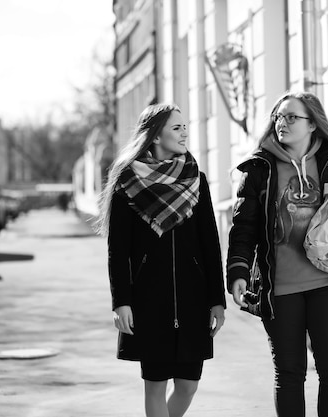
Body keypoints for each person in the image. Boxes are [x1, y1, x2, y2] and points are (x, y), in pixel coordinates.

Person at [226, 91, 328, 417]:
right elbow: (243, 227)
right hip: (280, 290)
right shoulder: (258, 169)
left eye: (292, 117)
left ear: (312, 125)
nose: (283, 123)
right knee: (290, 374)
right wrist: (237, 271)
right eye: (279, 117)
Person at [98, 103, 226, 417]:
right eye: (176, 128)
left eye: (185, 127)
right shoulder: (128, 183)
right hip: (148, 300)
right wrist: (121, 301)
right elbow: (118, 249)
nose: (185, 133)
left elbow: (210, 242)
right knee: (155, 385)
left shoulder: (196, 179)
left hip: (193, 299)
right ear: (156, 136)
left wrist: (217, 300)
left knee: (188, 385)